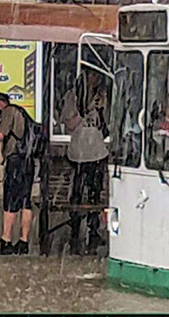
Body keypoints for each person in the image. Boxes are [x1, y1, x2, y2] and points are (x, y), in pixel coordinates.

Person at [62, 77, 108, 255]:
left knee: (95, 193)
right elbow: (69, 124)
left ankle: (93, 231)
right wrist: (84, 111)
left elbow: (107, 128)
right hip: (78, 154)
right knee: (77, 192)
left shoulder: (103, 97)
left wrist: (101, 110)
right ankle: (74, 231)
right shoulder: (72, 97)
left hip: (97, 153)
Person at [0, 92, 34, 255]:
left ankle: (5, 240)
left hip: (15, 161)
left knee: (11, 200)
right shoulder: (22, 113)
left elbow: (1, 134)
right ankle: (23, 241)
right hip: (28, 160)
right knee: (26, 201)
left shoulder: (8, 111)